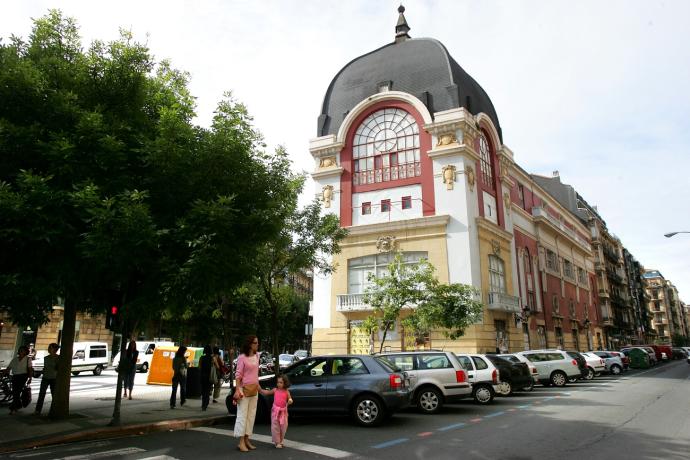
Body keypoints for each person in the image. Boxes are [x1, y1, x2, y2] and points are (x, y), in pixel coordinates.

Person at [233, 335, 260, 452]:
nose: (257, 344)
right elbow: (238, 376)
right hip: (244, 391)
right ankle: (241, 442)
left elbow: (255, 374)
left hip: (254, 390)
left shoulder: (257, 356)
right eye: (255, 343)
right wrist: (237, 390)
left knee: (251, 416)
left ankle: (247, 439)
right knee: (242, 416)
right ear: (250, 344)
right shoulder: (241, 358)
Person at [260, 375, 293, 449]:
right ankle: (277, 442)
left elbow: (290, 399)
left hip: (283, 412)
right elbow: (267, 393)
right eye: (278, 382)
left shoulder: (286, 391)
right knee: (275, 427)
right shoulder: (275, 390)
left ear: (285, 383)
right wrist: (260, 390)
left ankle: (281, 441)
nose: (279, 384)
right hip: (275, 411)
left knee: (283, 427)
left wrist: (290, 401)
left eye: (281, 382)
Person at [1, 345, 33, 415]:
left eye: (22, 350)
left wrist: (30, 378)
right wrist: (2, 375)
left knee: (17, 392)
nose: (21, 351)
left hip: (23, 377)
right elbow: (8, 368)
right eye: (20, 350)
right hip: (15, 376)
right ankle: (18, 405)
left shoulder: (28, 359)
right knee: (16, 392)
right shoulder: (15, 359)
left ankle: (13, 408)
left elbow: (30, 369)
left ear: (26, 352)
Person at [35, 343, 59, 415]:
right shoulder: (46, 358)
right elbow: (45, 368)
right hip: (45, 377)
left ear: (55, 349)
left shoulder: (59, 358)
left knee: (54, 395)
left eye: (50, 348)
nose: (49, 349)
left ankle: (53, 410)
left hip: (54, 378)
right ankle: (38, 410)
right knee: (41, 394)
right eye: (49, 347)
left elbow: (58, 368)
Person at [199, 344, 213, 411]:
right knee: (207, 391)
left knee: (203, 391)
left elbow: (199, 367)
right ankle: (206, 404)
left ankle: (203, 405)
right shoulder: (212, 358)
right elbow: (216, 367)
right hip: (209, 377)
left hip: (202, 376)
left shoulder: (201, 358)